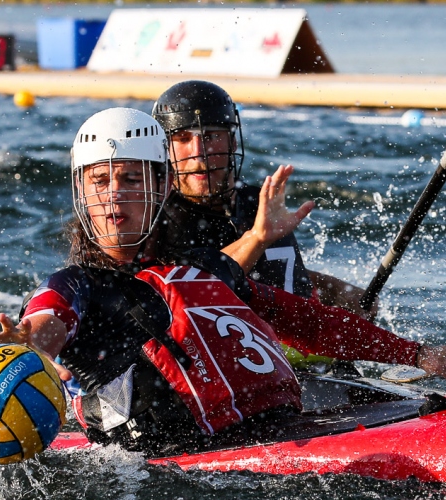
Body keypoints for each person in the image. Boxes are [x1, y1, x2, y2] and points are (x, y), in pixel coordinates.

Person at [0, 107, 446, 457]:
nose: (114, 196)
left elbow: (309, 323)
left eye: (131, 179)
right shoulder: (76, 285)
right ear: (82, 192)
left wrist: (418, 356)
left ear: (161, 185)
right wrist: (29, 342)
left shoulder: (200, 269)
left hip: (276, 432)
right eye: (100, 181)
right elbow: (50, 320)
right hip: (175, 469)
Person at [151, 80, 375, 320]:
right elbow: (190, 291)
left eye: (210, 136)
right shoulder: (158, 221)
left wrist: (339, 291)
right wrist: (257, 238)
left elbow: (276, 274)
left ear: (233, 142)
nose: (199, 152)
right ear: (164, 150)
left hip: (306, 347)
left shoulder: (260, 201)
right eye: (183, 139)